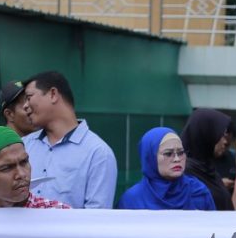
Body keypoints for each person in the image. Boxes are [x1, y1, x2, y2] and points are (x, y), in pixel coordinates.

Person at [22, 70, 117, 209]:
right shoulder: (23, 145)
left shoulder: (98, 153)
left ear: (53, 94)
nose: (25, 106)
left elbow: (96, 219)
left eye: (29, 97)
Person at [118, 127, 215, 211]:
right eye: (168, 154)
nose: (177, 159)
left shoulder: (198, 192)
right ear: (150, 158)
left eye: (181, 152)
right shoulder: (132, 199)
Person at [181, 108, 235, 211]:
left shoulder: (206, 168)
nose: (224, 142)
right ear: (204, 133)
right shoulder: (185, 173)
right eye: (219, 134)